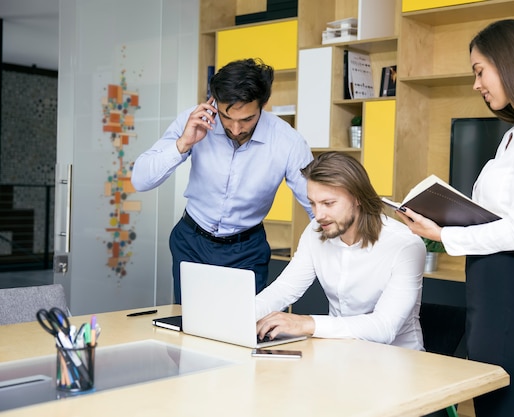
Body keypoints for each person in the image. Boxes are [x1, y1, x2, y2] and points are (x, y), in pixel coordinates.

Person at [397, 20, 514, 417]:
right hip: (488, 289)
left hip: (509, 294)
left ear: (511, 64)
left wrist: (444, 234)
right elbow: (496, 218)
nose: (476, 84)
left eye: (480, 71)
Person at [131, 58, 314, 304]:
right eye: (228, 118)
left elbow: (317, 205)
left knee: (242, 332)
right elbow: (141, 180)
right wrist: (183, 143)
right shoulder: (193, 121)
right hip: (192, 242)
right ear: (214, 102)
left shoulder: (288, 142)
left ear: (263, 105)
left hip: (246, 250)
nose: (236, 129)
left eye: (247, 119)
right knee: (190, 329)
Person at [255, 151, 425, 351]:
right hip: (340, 353)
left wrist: (305, 323)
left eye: (328, 203)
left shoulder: (405, 245)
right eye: (312, 203)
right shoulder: (315, 232)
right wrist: (239, 316)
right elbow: (285, 289)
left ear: (357, 198)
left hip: (398, 361)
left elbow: (384, 327)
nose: (318, 215)